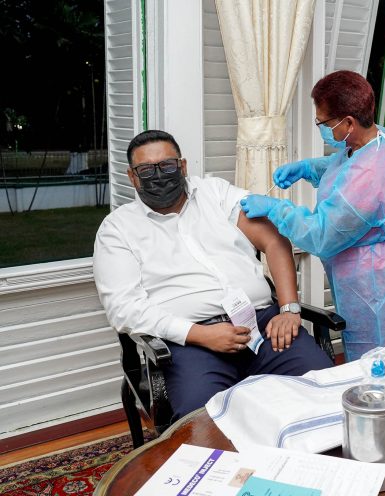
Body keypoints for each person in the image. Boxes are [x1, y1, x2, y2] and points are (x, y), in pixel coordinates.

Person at [93, 130, 332, 420]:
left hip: (264, 326)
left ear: (182, 166)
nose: (159, 175)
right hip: (191, 342)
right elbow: (123, 309)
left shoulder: (215, 193)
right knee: (201, 422)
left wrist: (289, 308)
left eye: (167, 166)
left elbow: (272, 240)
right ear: (132, 177)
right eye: (146, 170)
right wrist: (201, 335)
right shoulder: (117, 229)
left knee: (324, 389)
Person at [239, 70, 385, 368]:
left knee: (381, 360)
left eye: (323, 123)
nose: (321, 127)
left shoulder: (369, 177)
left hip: (378, 278)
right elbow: (345, 165)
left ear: (348, 122)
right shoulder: (378, 137)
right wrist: (308, 168)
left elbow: (321, 233)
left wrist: (274, 209)